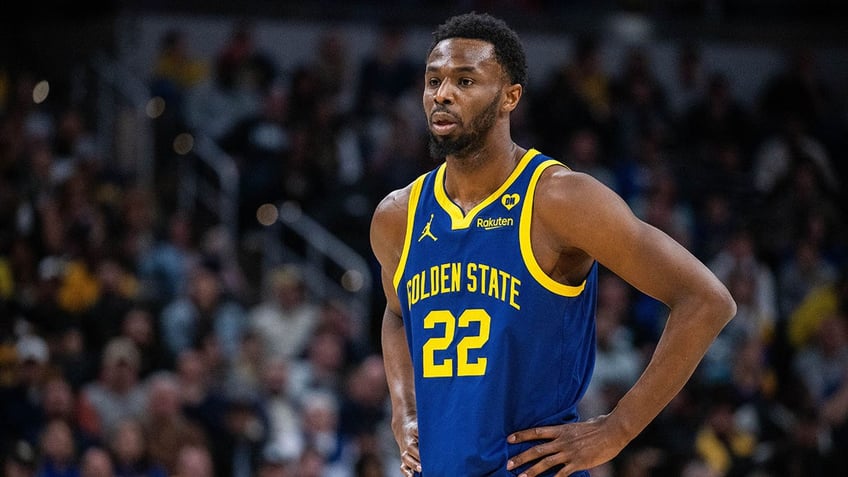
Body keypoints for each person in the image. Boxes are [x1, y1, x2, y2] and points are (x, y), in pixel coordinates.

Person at [369, 12, 736, 477]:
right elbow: (397, 315)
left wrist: (617, 429)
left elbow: (706, 300)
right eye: (433, 80)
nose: (442, 94)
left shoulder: (560, 198)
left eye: (465, 80)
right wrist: (404, 414)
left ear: (510, 97)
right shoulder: (397, 216)